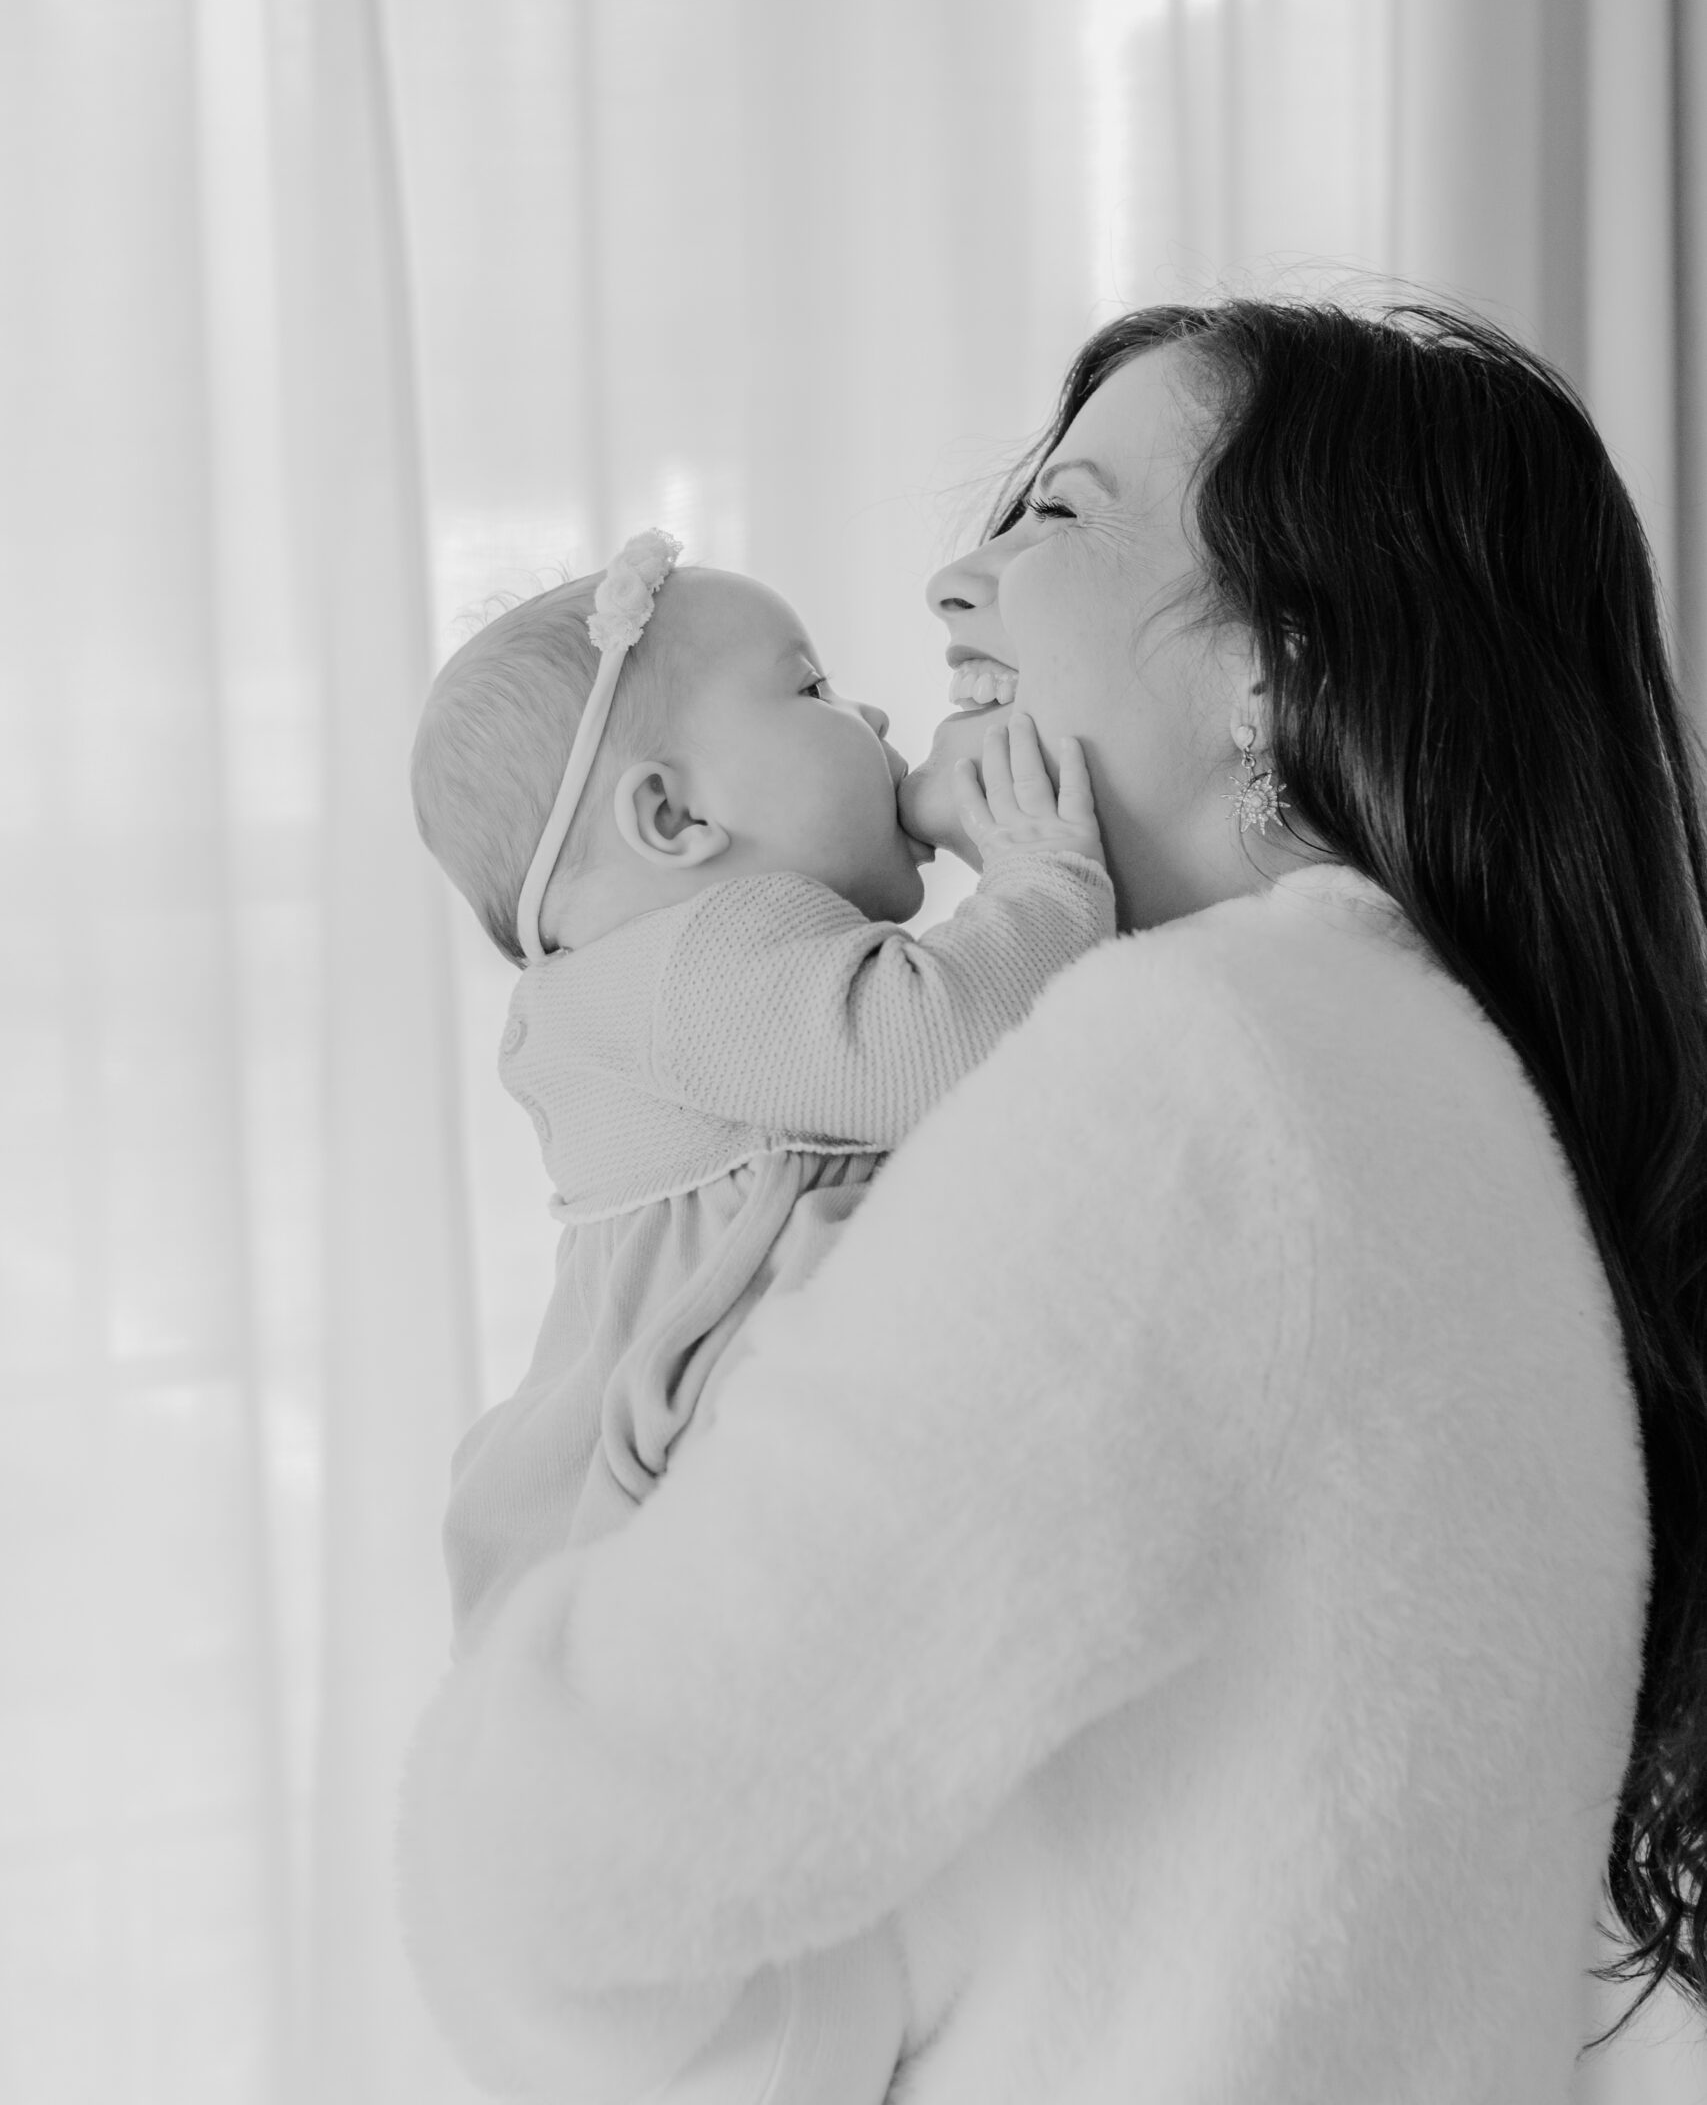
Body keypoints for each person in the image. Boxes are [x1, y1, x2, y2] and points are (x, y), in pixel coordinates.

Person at [399, 299, 1707, 2102]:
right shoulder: (1452, 1098)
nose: (949, 583)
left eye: (1060, 517)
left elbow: (553, 1872)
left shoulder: (1203, 1079)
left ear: (1284, 669)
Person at [405, 536, 1114, 2102]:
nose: (869, 709)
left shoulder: (683, 983)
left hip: (649, 1565)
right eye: (808, 688)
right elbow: (940, 1044)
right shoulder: (690, 965)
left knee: (804, 1982)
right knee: (760, 2011)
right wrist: (1052, 880)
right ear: (674, 818)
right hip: (634, 1550)